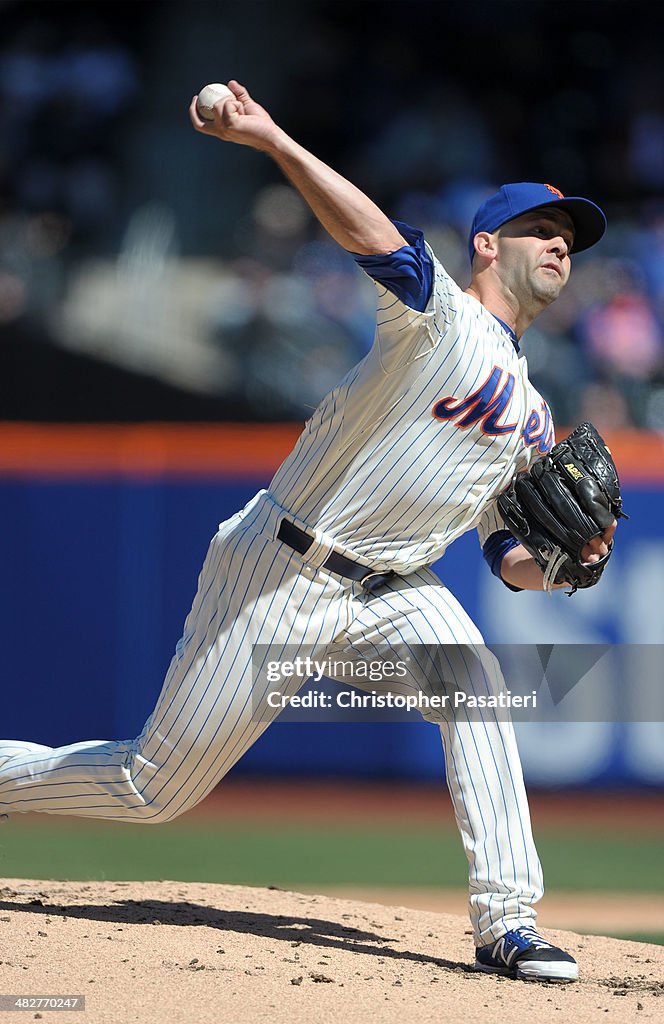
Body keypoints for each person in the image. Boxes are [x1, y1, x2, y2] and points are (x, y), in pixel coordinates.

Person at [0, 81, 616, 983]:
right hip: (281, 568)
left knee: (476, 688)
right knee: (151, 788)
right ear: (489, 244)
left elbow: (506, 555)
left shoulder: (534, 416)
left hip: (395, 591)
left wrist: (568, 569)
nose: (562, 242)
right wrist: (273, 138)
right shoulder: (437, 316)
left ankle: (508, 922)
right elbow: (376, 239)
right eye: (543, 228)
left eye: (573, 237)